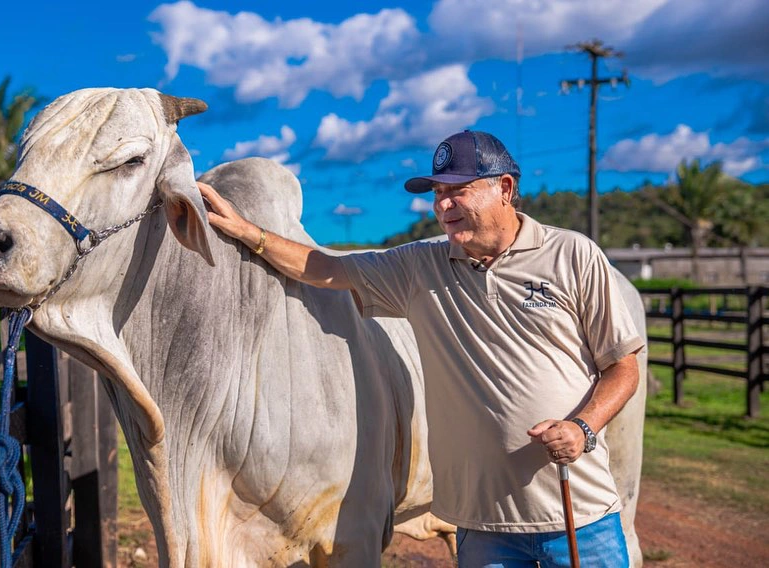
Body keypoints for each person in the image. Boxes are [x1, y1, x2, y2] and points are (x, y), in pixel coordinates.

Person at [197, 130, 643, 568]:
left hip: (578, 514)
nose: (442, 206)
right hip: (484, 528)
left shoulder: (573, 255)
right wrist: (250, 233)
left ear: (504, 188)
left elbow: (622, 366)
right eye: (437, 193)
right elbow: (326, 269)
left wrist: (583, 428)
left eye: (458, 191)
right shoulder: (420, 266)